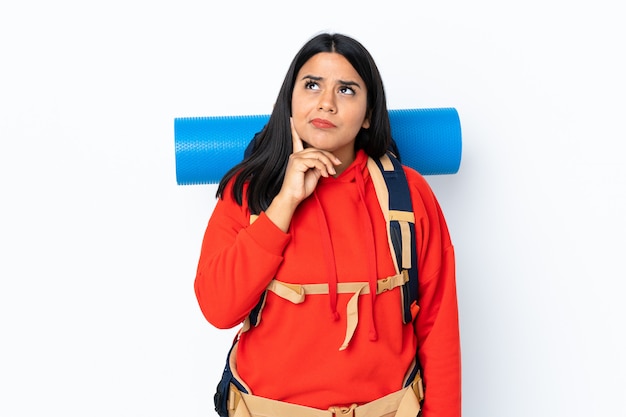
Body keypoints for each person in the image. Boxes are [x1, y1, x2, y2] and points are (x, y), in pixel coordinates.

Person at [194, 32, 461, 417]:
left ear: (369, 114)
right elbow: (218, 310)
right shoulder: (247, 193)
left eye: (347, 90)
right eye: (312, 85)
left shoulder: (409, 195)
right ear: (290, 99)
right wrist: (284, 203)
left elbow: (439, 328)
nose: (326, 103)